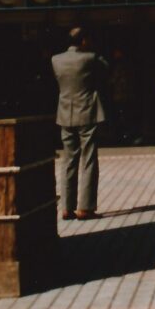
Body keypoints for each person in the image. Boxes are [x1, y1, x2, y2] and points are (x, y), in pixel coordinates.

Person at [51, 27, 110, 220]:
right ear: (83, 41)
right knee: (89, 158)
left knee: (68, 159)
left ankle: (67, 207)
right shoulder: (91, 58)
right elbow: (105, 68)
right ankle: (85, 207)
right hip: (87, 112)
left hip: (65, 113)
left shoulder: (56, 60)